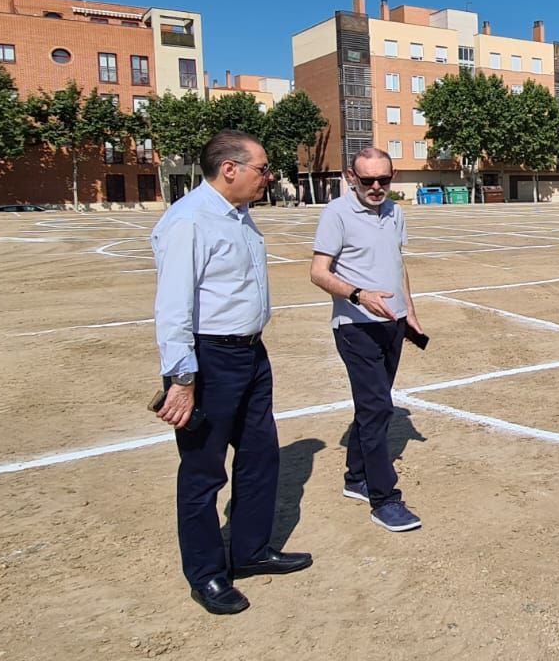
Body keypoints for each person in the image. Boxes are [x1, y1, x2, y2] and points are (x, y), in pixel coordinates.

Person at [151, 130, 312, 615]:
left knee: (261, 456)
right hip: (209, 360)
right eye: (263, 169)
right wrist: (182, 379)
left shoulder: (239, 216)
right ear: (230, 169)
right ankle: (207, 575)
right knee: (202, 472)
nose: (269, 177)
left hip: (250, 353)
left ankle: (250, 550)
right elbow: (173, 305)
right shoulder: (189, 221)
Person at [309, 147, 426, 532]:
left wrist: (411, 314)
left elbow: (397, 264)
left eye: (385, 180)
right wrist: (359, 295)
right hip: (356, 326)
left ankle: (356, 477)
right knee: (378, 408)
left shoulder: (394, 213)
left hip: (392, 324)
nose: (377, 187)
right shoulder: (337, 214)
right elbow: (318, 272)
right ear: (351, 177)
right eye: (368, 180)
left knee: (371, 407)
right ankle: (384, 499)